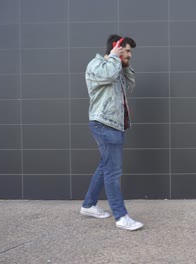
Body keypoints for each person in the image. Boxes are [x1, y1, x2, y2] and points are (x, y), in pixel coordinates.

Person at [79, 34, 143, 231]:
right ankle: (121, 217)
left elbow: (129, 86)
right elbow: (106, 76)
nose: (130, 55)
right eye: (127, 51)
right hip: (104, 124)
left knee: (105, 166)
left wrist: (123, 65)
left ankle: (89, 205)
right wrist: (115, 57)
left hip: (115, 125)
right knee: (113, 171)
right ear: (116, 48)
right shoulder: (97, 65)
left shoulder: (117, 68)